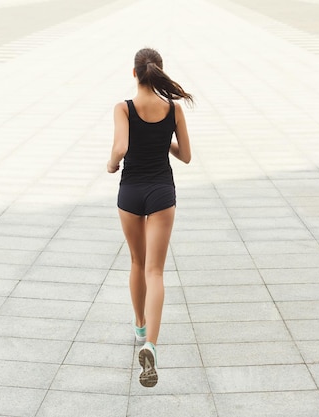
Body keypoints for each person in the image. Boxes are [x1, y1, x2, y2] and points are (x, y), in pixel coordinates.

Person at [107, 47, 193, 387]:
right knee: (156, 270)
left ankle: (139, 323)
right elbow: (185, 156)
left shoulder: (124, 109)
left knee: (136, 263)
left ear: (134, 73)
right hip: (161, 193)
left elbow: (120, 149)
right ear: (158, 71)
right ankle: (151, 344)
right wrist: (163, 142)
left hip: (130, 192)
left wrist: (111, 165)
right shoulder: (174, 109)